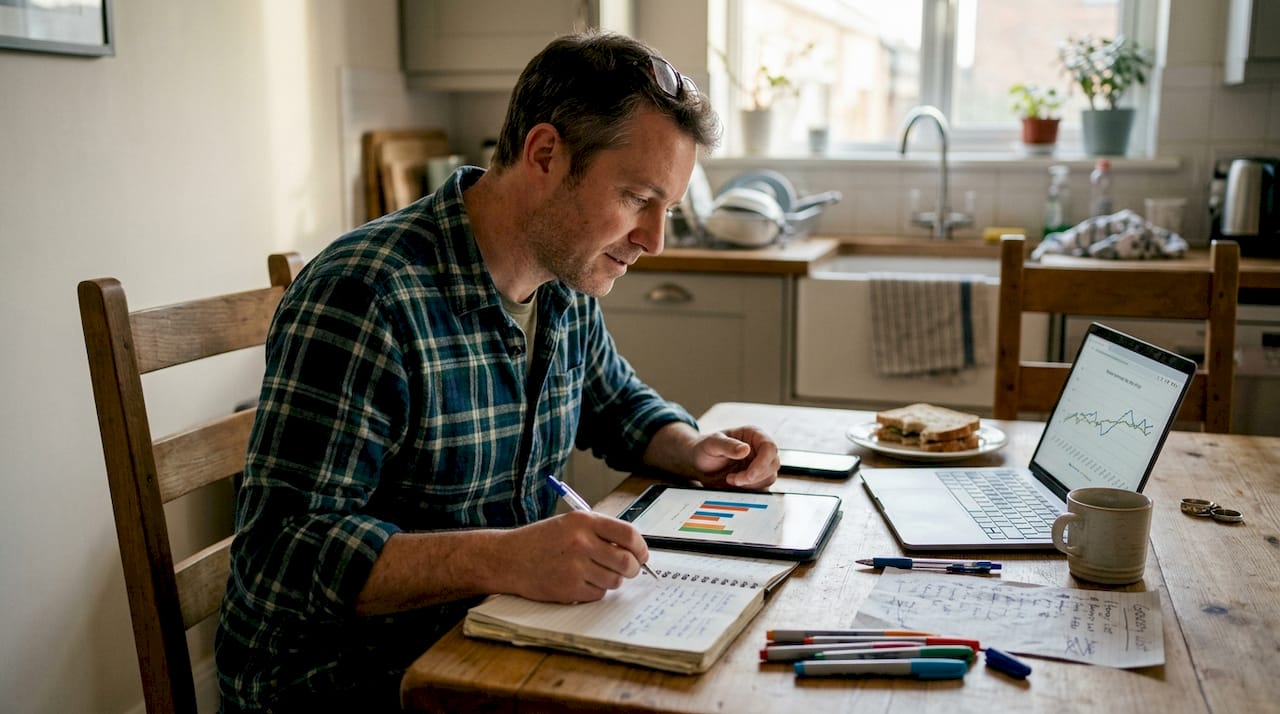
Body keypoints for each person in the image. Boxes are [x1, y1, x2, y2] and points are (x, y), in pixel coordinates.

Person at [215, 31, 780, 712]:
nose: (653, 240)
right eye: (636, 197)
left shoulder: (564, 276)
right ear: (545, 154)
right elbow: (278, 557)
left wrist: (691, 447)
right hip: (351, 684)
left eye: (668, 209)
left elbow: (611, 398)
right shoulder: (366, 296)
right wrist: (506, 558)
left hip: (492, 644)